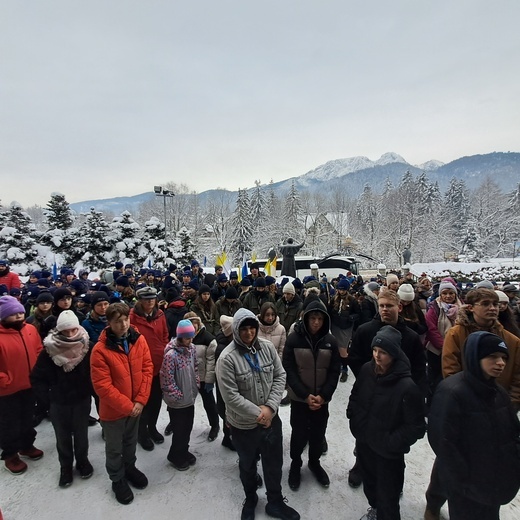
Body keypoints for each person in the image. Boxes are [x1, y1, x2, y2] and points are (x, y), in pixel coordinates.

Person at [216, 308, 299, 520]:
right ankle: (251, 498)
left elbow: (280, 375)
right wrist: (258, 413)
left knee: (273, 464)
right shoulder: (227, 359)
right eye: (243, 329)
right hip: (243, 425)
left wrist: (270, 408)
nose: (249, 333)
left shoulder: (268, 348)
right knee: (247, 465)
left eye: (252, 328)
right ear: (236, 330)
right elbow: (230, 397)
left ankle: (275, 501)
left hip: (271, 420)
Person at [428, 332, 520, 520]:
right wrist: (464, 480)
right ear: (474, 356)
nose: (501, 363)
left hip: (492, 482)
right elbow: (443, 443)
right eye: (493, 357)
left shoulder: (499, 393)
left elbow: (511, 434)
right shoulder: (453, 392)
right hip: (467, 487)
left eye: (503, 358)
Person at [347, 290, 427, 489]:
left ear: (399, 307)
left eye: (389, 306)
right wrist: (369, 378)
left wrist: (411, 393)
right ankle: (360, 466)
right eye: (381, 305)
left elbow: (419, 369)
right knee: (365, 436)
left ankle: (393, 483)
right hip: (370, 393)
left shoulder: (411, 337)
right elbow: (355, 358)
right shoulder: (365, 331)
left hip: (398, 399)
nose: (384, 309)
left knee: (392, 442)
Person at [90, 303, 153, 505]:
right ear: (109, 323)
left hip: (136, 406)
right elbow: (102, 386)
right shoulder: (100, 350)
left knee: (130, 441)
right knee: (114, 447)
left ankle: (130, 467)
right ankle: (117, 478)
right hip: (114, 411)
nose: (124, 324)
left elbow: (147, 368)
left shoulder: (138, 340)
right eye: (118, 321)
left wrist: (141, 400)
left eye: (126, 319)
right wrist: (128, 406)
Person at [30, 311, 93, 487]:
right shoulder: (49, 351)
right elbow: (37, 378)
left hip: (81, 399)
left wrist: (96, 396)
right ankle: (65, 466)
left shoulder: (87, 346)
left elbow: (95, 374)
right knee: (62, 436)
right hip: (58, 402)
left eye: (73, 330)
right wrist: (47, 400)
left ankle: (82, 461)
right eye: (66, 331)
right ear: (59, 331)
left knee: (81, 434)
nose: (71, 335)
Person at [283, 300, 340, 491]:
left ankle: (314, 463)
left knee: (318, 433)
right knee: (298, 433)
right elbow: (289, 369)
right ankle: (296, 463)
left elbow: (334, 371)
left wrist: (323, 396)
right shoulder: (294, 339)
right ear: (306, 318)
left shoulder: (330, 342)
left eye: (320, 319)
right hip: (300, 400)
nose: (316, 322)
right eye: (313, 318)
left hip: (321, 401)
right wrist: (304, 395)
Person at [0, 296, 44, 475]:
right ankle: (10, 454)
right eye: (13, 314)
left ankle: (26, 445)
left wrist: (40, 372)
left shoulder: (31, 330)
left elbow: (39, 350)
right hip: (7, 390)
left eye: (20, 312)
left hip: (29, 384)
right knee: (9, 423)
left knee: (27, 417)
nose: (19, 316)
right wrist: (4, 379)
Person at [129, 286, 169, 451]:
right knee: (142, 402)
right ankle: (141, 432)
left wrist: (163, 347)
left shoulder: (160, 315)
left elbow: (165, 334)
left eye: (152, 298)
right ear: (140, 300)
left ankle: (152, 428)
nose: (150, 301)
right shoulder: (132, 318)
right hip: (141, 367)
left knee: (155, 401)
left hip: (158, 365)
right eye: (146, 299)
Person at [160, 320, 199, 471]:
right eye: (187, 338)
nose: (190, 341)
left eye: (191, 337)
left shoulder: (192, 349)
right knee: (180, 429)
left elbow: (195, 367)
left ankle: (183, 450)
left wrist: (196, 384)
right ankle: (175, 455)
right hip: (177, 401)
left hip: (189, 397)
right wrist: (176, 395)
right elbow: (167, 378)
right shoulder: (171, 355)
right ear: (180, 337)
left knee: (187, 427)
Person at [184, 312, 220, 442]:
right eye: (189, 323)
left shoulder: (208, 338)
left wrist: (210, 380)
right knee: (182, 404)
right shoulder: (181, 338)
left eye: (194, 322)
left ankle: (215, 425)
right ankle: (176, 423)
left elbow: (211, 361)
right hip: (187, 378)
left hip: (203, 377)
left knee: (209, 403)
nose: (192, 326)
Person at [424, 280, 462, 400]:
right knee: (436, 377)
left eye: (451, 293)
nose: (448, 296)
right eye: (444, 293)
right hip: (437, 350)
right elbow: (431, 329)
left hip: (457, 349)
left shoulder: (462, 308)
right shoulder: (435, 308)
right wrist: (444, 346)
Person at [328, 278, 360, 382]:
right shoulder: (334, 299)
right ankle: (338, 366)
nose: (341, 291)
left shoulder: (352, 300)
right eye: (339, 289)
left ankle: (345, 369)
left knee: (343, 349)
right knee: (335, 347)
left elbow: (358, 313)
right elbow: (329, 311)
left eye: (343, 290)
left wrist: (351, 318)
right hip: (335, 326)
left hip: (346, 327)